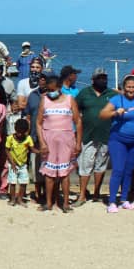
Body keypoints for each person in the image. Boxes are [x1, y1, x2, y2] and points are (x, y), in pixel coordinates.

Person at [100, 75, 134, 213]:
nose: (131, 89)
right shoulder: (117, 99)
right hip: (118, 140)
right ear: (124, 87)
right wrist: (115, 112)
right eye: (128, 87)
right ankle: (112, 201)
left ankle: (124, 199)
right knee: (118, 170)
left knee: (129, 171)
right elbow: (102, 114)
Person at [34, 74, 81, 212]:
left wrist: (78, 143)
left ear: (60, 88)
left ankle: (65, 203)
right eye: (49, 90)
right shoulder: (44, 100)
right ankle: (48, 203)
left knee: (64, 173)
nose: (51, 92)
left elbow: (78, 122)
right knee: (49, 174)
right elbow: (38, 123)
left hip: (66, 139)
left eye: (53, 89)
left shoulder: (69, 99)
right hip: (49, 140)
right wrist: (42, 142)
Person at [75, 67, 116, 205]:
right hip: (87, 135)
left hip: (106, 135)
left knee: (101, 165)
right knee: (85, 165)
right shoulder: (84, 93)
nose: (102, 80)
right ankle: (82, 195)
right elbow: (75, 109)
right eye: (99, 78)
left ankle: (97, 193)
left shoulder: (112, 94)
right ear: (93, 80)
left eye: (104, 77)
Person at [6, 119, 34, 207]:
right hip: (13, 164)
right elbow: (7, 150)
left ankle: (20, 199)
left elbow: (32, 149)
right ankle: (13, 199)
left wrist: (40, 151)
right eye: (18, 132)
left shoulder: (28, 138)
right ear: (15, 129)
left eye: (22, 133)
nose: (20, 134)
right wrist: (12, 162)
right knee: (13, 183)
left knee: (23, 182)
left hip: (23, 165)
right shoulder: (10, 138)